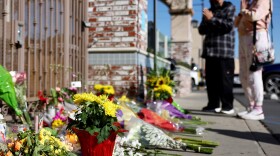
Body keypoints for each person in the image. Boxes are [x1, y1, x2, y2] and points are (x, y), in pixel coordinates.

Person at [234, 0, 272, 120]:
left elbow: (254, 16)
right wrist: (243, 12)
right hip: (244, 38)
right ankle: (251, 106)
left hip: (257, 37)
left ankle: (258, 109)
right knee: (244, 75)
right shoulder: (250, 3)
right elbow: (236, 24)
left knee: (254, 73)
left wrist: (243, 10)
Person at [198, 0, 235, 114]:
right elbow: (201, 30)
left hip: (224, 52)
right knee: (211, 81)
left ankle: (227, 106)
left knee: (225, 81)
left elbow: (228, 26)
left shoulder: (229, 8)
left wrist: (212, 19)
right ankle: (213, 104)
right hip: (210, 51)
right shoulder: (209, 11)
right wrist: (207, 20)